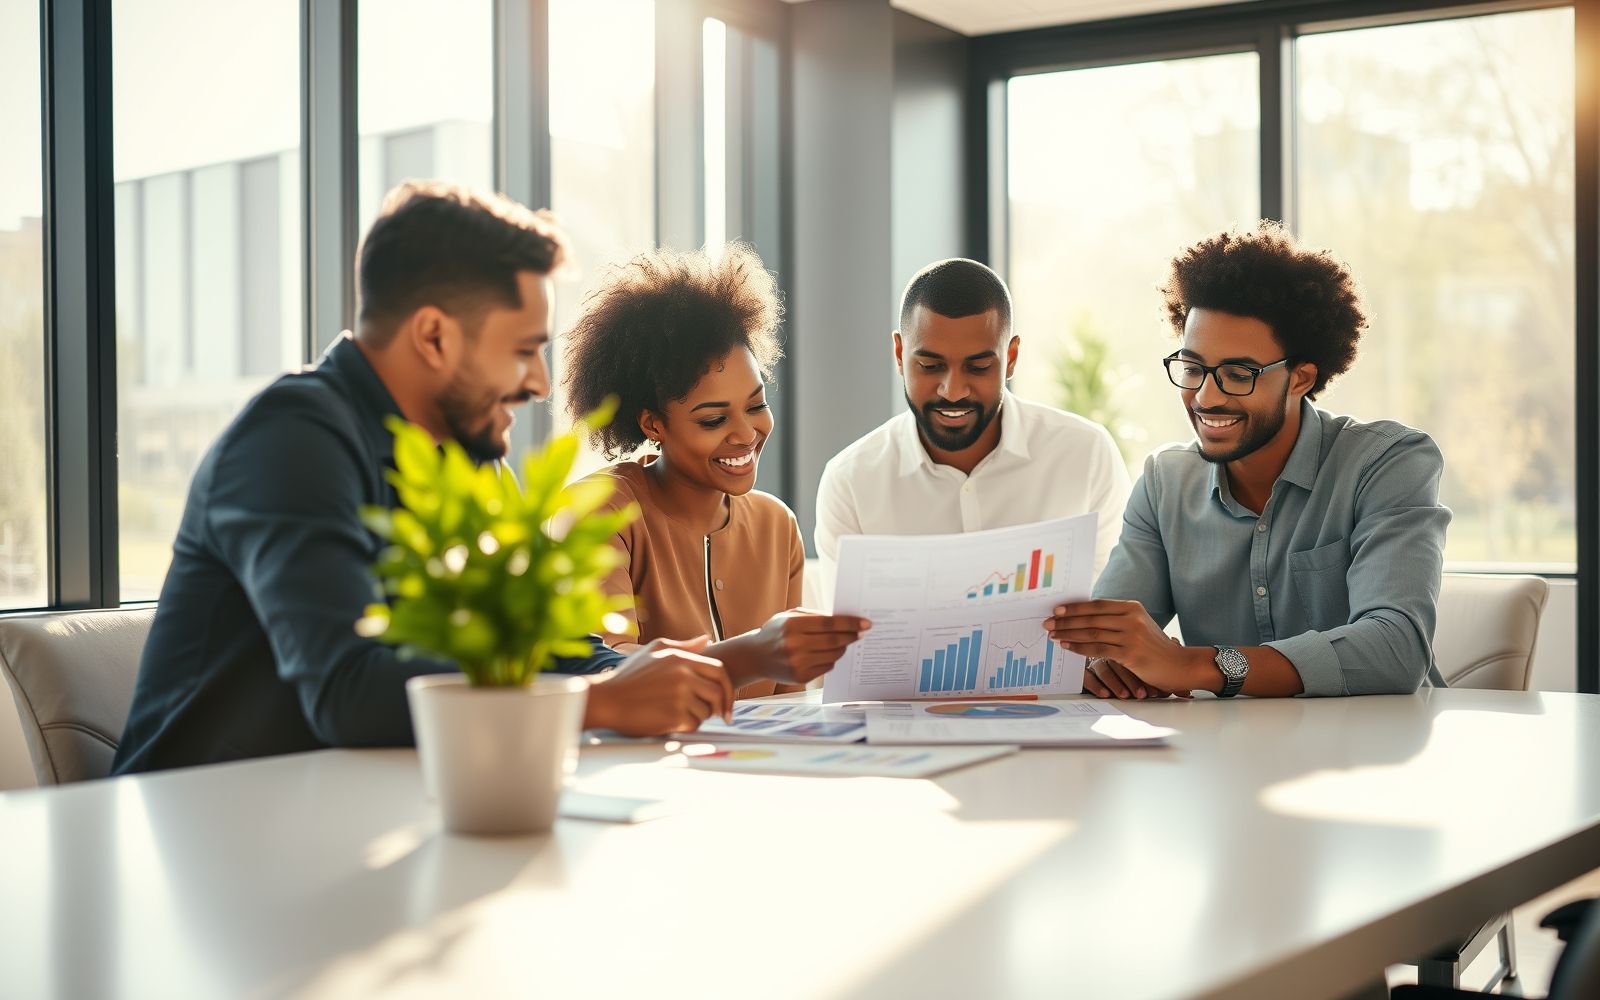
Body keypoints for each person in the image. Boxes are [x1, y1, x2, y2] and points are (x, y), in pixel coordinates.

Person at [113, 182, 751, 775]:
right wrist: (599, 702)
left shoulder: (471, 458)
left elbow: (545, 649)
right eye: (524, 349)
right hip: (198, 826)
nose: (538, 383)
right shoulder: (291, 439)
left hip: (355, 815)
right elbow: (349, 688)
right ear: (434, 336)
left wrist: (676, 674)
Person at [1045, 222, 1451, 700]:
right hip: (1225, 757)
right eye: (1193, 368)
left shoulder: (1386, 464)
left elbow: (1395, 649)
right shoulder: (1163, 484)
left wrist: (1196, 665)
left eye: (1238, 374)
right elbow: (1104, 641)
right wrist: (1103, 661)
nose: (1205, 396)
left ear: (1300, 379)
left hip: (1380, 750)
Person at [561, 244, 870, 699]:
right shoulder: (601, 510)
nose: (746, 434)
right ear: (653, 423)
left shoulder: (776, 525)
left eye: (757, 405)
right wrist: (752, 655)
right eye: (713, 419)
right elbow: (607, 678)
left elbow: (787, 704)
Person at [813, 258, 1131, 608]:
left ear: (1010, 358)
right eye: (930, 366)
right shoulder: (851, 483)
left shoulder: (1085, 455)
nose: (953, 391)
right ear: (900, 353)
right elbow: (850, 646)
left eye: (978, 367)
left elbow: (1110, 614)